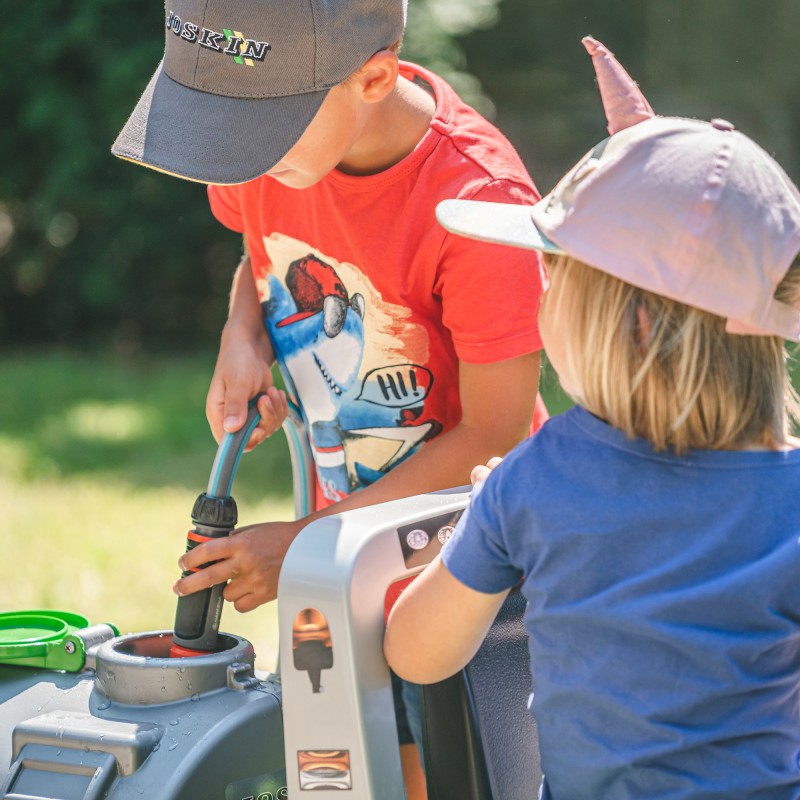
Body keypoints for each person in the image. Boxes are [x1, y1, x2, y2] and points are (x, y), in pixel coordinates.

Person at [111, 1, 548, 794]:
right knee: (334, 772)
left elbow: (497, 433)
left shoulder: (481, 206)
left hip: (464, 583)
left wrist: (306, 542)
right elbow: (260, 252)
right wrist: (240, 336)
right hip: (334, 556)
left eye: (257, 140)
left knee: (437, 777)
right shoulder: (283, 154)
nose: (239, 162)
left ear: (373, 78)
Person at [384, 36, 800, 799]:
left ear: (626, 325)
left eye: (553, 279)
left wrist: (478, 522)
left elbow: (417, 654)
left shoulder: (533, 482)